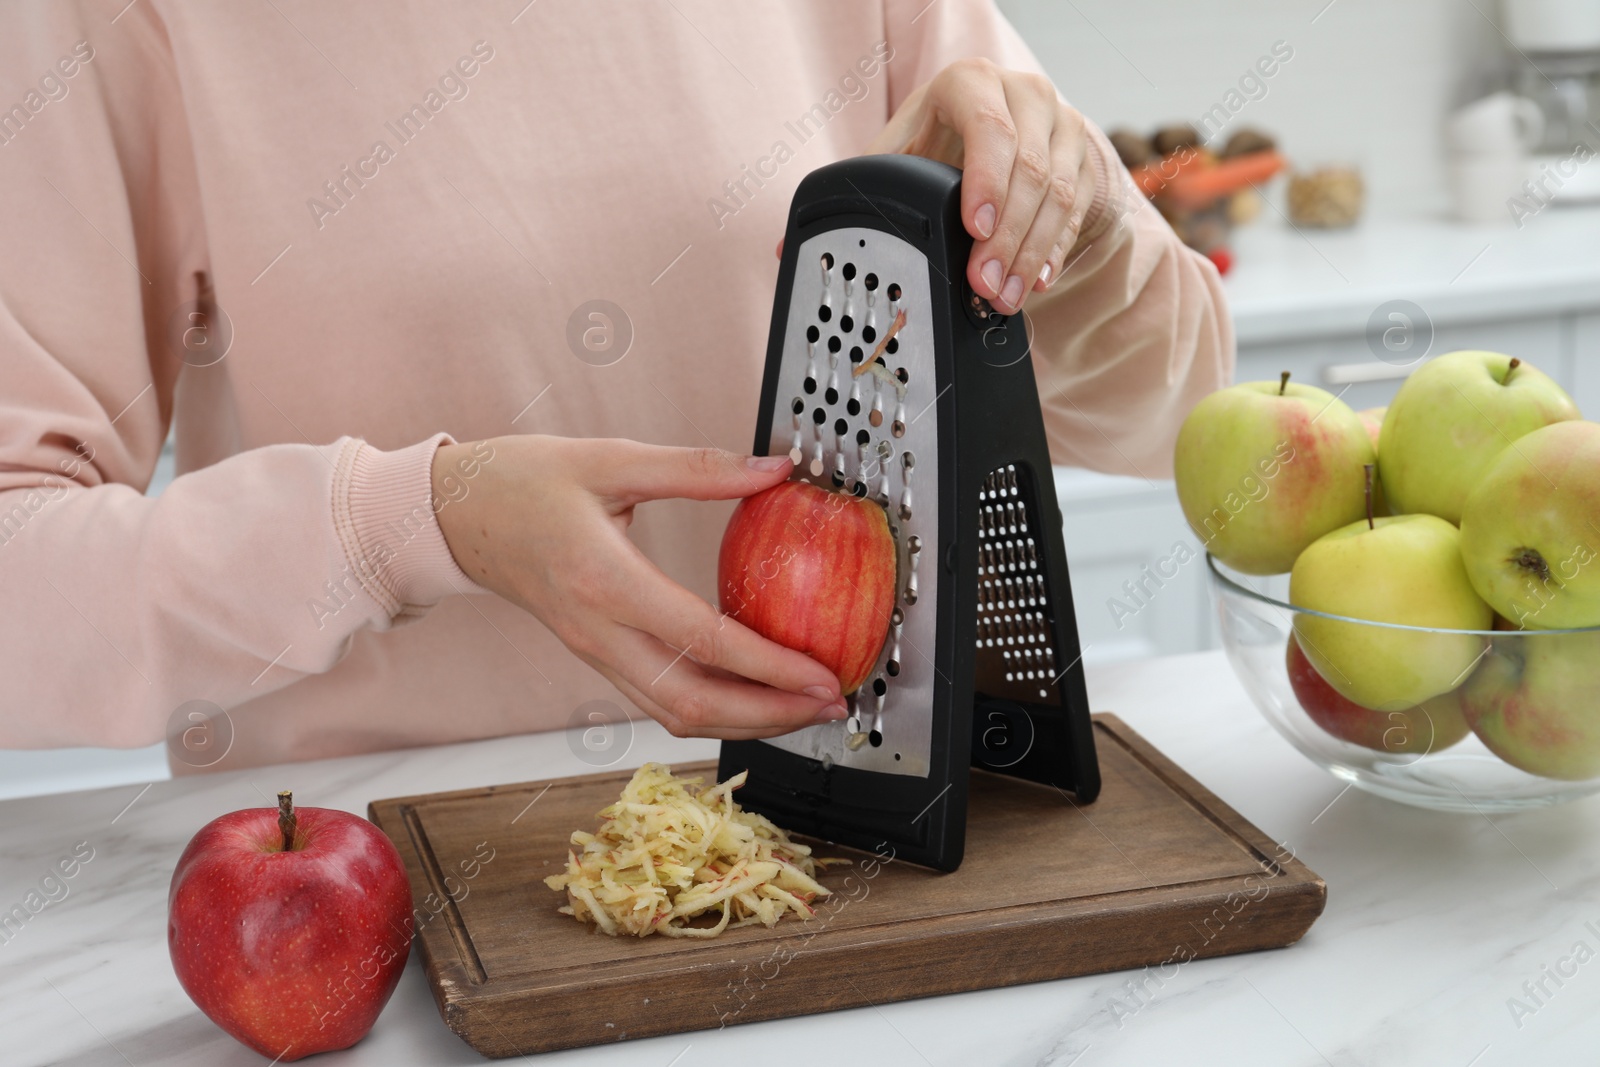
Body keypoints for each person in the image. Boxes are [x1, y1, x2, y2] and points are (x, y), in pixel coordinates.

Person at [0, 1, 1231, 772]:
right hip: (392, 888)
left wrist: (1070, 217)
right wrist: (410, 523)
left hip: (866, 846)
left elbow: (1182, 413)